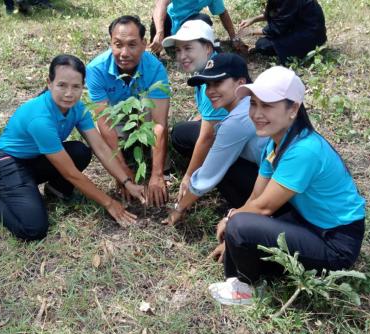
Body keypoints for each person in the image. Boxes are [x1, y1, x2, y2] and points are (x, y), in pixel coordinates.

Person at [209, 66, 366, 304]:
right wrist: (232, 238)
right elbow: (255, 198)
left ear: (293, 109)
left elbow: (263, 209)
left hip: (335, 242)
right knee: (240, 224)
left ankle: (246, 291)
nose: (257, 114)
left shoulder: (304, 150)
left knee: (240, 224)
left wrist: (231, 221)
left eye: (268, 106)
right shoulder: (275, 144)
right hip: (308, 222)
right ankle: (248, 269)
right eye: (254, 104)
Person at [0, 54, 146, 241]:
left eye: (76, 87)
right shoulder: (40, 118)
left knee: (80, 151)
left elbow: (100, 147)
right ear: (49, 83)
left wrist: (126, 181)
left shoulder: (78, 108)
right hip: (10, 163)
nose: (69, 93)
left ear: (83, 86)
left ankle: (55, 190)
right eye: (62, 85)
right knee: (33, 230)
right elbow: (71, 174)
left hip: (37, 158)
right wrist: (109, 203)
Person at [163, 53, 267, 225]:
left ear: (241, 83)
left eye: (217, 83)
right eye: (207, 84)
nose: (210, 91)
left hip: (275, 189)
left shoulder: (237, 120)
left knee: (218, 163)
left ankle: (248, 213)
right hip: (267, 171)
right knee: (184, 133)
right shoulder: (248, 103)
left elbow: (207, 175)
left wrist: (179, 207)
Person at [86, 15, 170, 207]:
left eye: (132, 45)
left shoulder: (155, 68)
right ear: (110, 44)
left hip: (144, 116)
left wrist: (157, 174)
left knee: (151, 116)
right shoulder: (96, 69)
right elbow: (105, 121)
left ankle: (160, 163)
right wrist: (122, 173)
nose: (124, 53)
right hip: (117, 119)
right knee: (101, 134)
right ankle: (126, 157)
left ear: (144, 44)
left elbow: (158, 123)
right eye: (118, 44)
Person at [162, 20, 228, 208]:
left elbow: (207, 136)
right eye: (178, 50)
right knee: (180, 132)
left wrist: (189, 176)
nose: (182, 56)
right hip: (228, 134)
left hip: (234, 144)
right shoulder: (207, 69)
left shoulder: (213, 81)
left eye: (188, 48)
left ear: (207, 48)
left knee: (182, 135)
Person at [239, 0, 327, 64]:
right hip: (299, 26)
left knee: (263, 45)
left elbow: (276, 28)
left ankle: (306, 50)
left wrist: (251, 32)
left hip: (310, 34)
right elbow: (274, 13)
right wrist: (253, 19)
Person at [149, 0, 247, 55]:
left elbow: (222, 12)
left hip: (187, 23)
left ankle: (186, 49)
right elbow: (160, 4)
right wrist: (159, 32)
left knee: (204, 20)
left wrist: (234, 38)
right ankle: (155, 53)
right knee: (159, 17)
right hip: (169, 22)